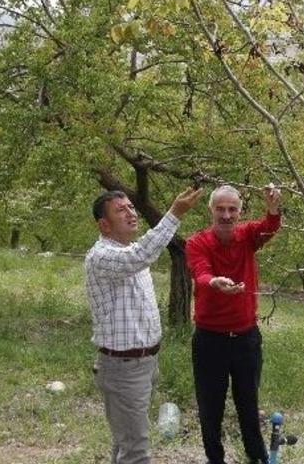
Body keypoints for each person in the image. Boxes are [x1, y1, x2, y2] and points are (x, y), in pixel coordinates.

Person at [85, 187, 203, 464]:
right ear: (104, 224)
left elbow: (140, 256)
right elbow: (141, 256)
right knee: (136, 451)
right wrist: (174, 214)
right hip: (123, 368)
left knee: (126, 443)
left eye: (131, 207)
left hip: (143, 364)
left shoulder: (129, 252)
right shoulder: (102, 256)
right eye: (121, 210)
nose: (131, 213)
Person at [186, 184, 282, 464]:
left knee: (248, 407)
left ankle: (258, 458)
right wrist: (213, 282)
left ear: (240, 212)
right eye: (220, 209)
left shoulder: (248, 236)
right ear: (211, 210)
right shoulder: (197, 242)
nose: (226, 215)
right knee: (210, 408)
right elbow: (200, 272)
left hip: (245, 339)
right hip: (209, 340)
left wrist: (274, 208)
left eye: (232, 209)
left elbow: (269, 226)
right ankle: (215, 459)